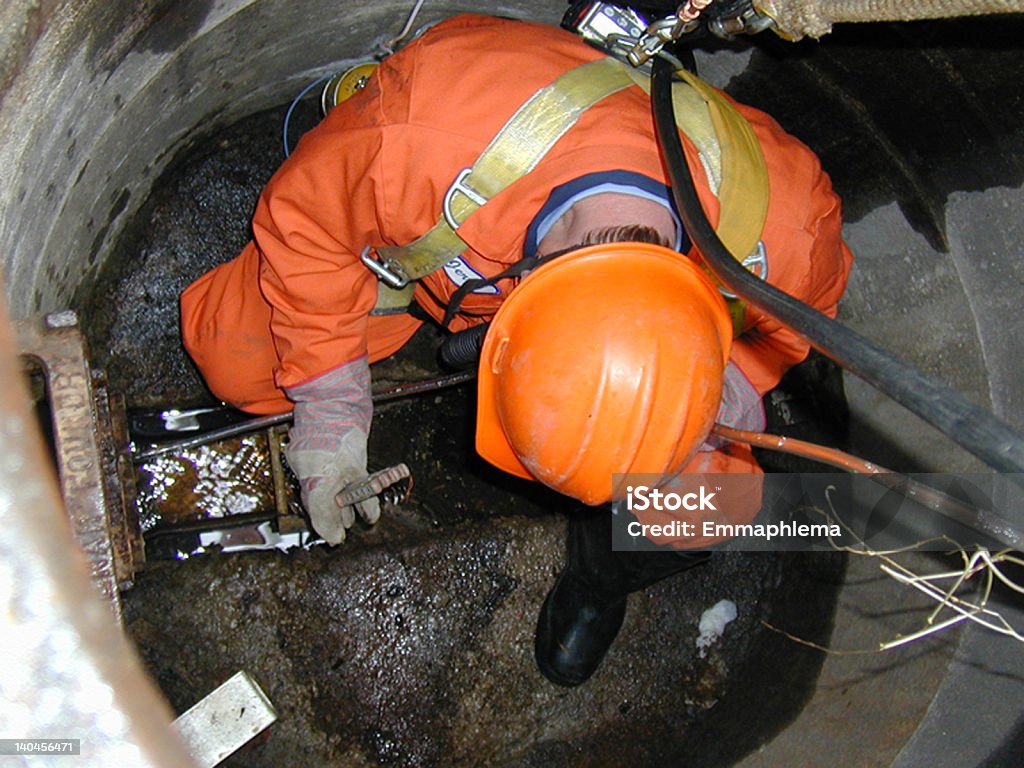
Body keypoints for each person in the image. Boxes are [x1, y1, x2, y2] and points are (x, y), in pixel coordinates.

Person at [180, 14, 852, 686]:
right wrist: (329, 402)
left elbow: (789, 335)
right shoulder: (422, 129)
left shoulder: (789, 233)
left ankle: (598, 582)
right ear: (521, 293)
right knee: (234, 355)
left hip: (641, 335)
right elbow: (308, 229)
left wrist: (711, 392)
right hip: (428, 263)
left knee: (714, 501)